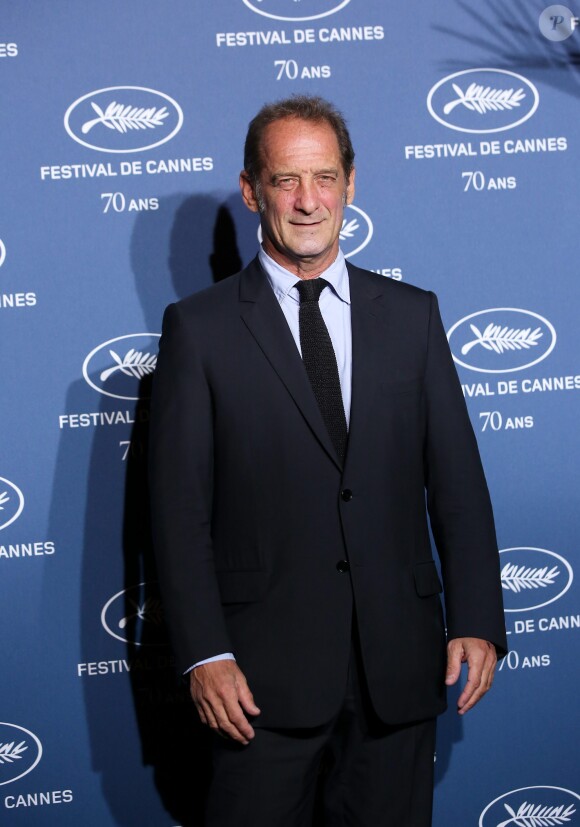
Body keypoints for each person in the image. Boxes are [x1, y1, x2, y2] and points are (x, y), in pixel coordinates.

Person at [149, 95, 507, 826]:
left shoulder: (413, 315)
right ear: (252, 189)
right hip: (257, 682)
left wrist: (477, 613)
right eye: (286, 180)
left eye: (324, 177)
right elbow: (178, 511)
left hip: (398, 670)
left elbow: (458, 481)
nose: (308, 201)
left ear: (351, 182)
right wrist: (204, 653)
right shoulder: (201, 330)